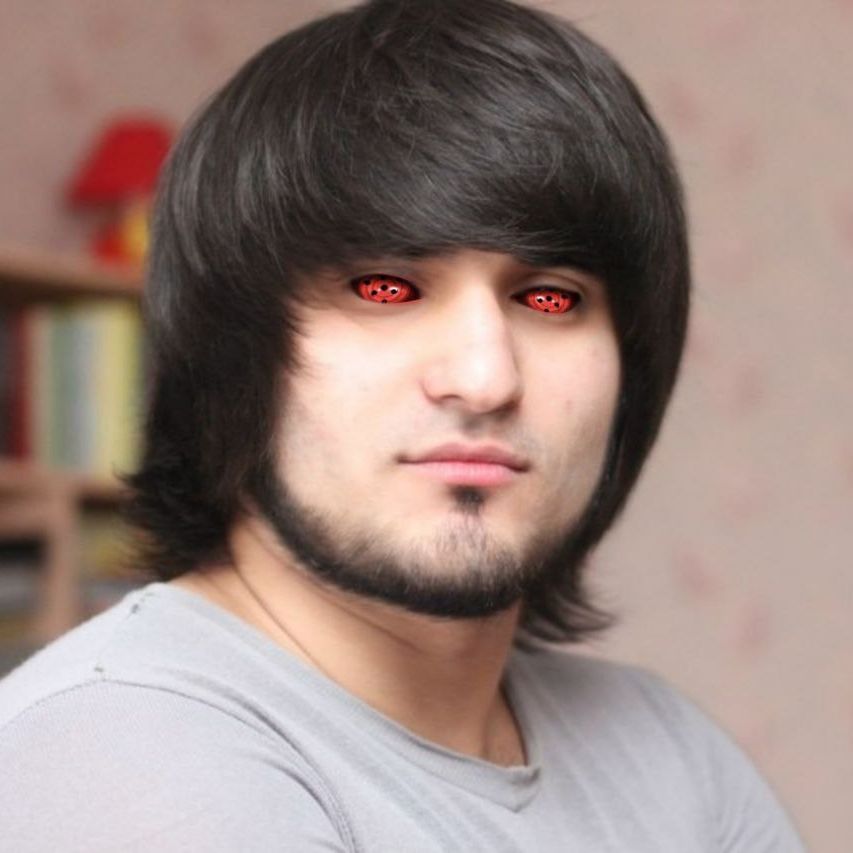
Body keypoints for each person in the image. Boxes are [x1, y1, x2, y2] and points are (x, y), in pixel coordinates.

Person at [0, 0, 805, 849]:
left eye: (549, 298)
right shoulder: (124, 748)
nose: (485, 378)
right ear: (230, 352)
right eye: (385, 289)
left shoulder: (669, 753)